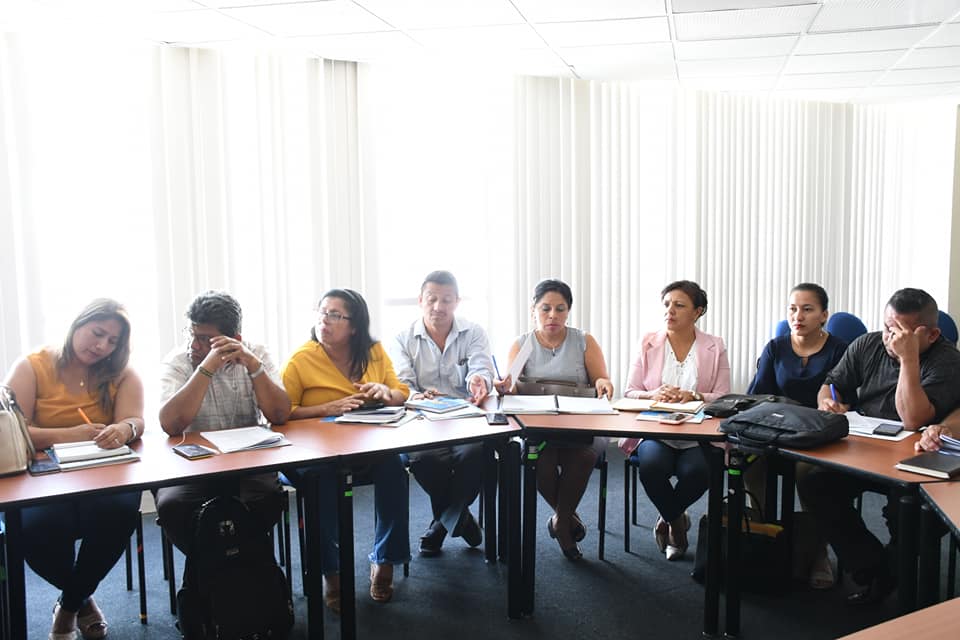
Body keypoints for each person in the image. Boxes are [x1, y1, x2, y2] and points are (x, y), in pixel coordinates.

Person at [799, 288, 960, 604]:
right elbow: (830, 385)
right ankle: (874, 568)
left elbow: (913, 419)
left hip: (918, 459)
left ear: (932, 334)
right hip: (868, 448)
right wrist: (827, 401)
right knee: (815, 484)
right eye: (888, 328)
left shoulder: (947, 361)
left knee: (908, 511)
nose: (890, 338)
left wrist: (908, 358)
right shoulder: (868, 344)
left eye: (901, 332)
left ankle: (893, 570)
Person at [3, 298, 144, 640]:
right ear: (78, 323)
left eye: (112, 341)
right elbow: (14, 430)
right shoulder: (32, 366)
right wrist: (72, 434)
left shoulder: (121, 372)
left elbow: (135, 419)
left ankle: (68, 607)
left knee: (119, 513)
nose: (102, 346)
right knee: (37, 528)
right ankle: (81, 601)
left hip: (100, 471)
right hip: (42, 475)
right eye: (97, 333)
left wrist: (124, 429)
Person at [282, 289, 410, 611]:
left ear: (354, 326)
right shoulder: (302, 359)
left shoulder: (374, 352)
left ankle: (385, 560)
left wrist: (384, 391)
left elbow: (401, 393)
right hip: (316, 453)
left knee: (394, 468)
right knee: (323, 481)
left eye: (335, 315)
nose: (324, 320)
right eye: (322, 312)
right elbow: (281, 413)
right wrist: (326, 408)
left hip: (366, 445)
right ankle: (332, 572)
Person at [157, 291, 291, 553]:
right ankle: (209, 564)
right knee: (173, 506)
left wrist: (254, 367)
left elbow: (279, 414)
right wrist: (206, 369)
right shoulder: (178, 361)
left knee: (267, 499)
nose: (194, 345)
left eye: (204, 339)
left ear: (234, 339)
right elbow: (171, 425)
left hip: (248, 460)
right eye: (191, 334)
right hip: (192, 464)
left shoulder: (256, 354)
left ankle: (243, 561)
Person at [496, 279, 614, 561]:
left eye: (560, 309)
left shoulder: (584, 341)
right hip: (539, 427)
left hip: (581, 424)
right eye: (545, 308)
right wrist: (504, 387)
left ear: (568, 311)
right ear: (533, 310)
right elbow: (510, 388)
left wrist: (604, 384)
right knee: (540, 460)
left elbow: (601, 378)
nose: (553, 315)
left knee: (584, 456)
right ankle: (567, 520)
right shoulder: (522, 344)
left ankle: (560, 523)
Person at [745, 283, 848, 588]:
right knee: (747, 461)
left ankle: (817, 551)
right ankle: (762, 537)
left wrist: (839, 405)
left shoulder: (839, 350)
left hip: (818, 437)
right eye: (792, 309)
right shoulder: (776, 347)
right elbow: (758, 396)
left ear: (823, 315)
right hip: (777, 431)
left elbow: (850, 397)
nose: (797, 316)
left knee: (809, 474)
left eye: (807, 309)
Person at [620, 280, 730, 561]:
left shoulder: (714, 346)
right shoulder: (648, 342)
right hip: (655, 430)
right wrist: (653, 393)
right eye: (667, 304)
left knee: (700, 472)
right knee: (652, 467)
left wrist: (695, 395)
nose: (670, 310)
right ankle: (678, 526)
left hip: (697, 432)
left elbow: (723, 396)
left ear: (698, 311)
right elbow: (630, 392)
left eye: (679, 305)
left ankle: (667, 517)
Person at [391, 271, 493, 556]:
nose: (439, 306)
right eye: (432, 299)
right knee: (425, 459)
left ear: (457, 302)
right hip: (422, 420)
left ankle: (441, 523)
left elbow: (481, 368)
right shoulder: (403, 339)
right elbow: (402, 384)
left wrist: (479, 381)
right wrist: (415, 396)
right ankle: (460, 518)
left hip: (465, 417)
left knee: (474, 453)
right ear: (420, 300)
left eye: (447, 300)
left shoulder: (473, 333)